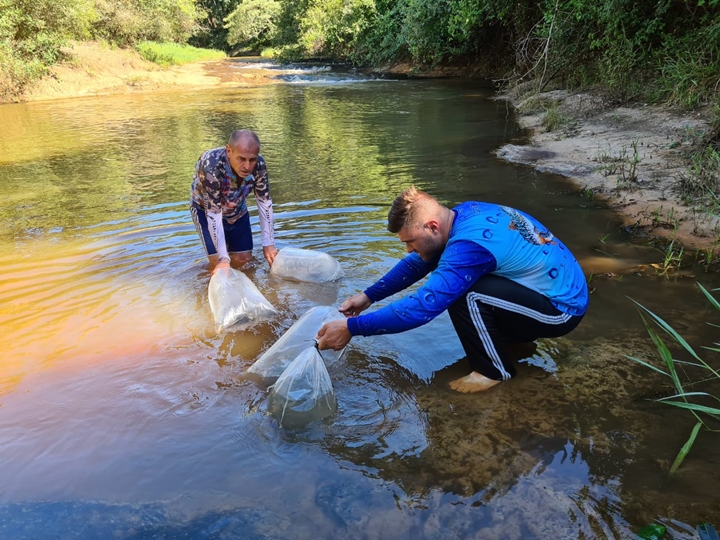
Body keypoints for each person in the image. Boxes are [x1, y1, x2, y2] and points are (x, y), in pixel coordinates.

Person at [316, 186, 588, 393]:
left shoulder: (469, 247)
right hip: (543, 289)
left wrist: (352, 328)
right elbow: (417, 264)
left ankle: (492, 372)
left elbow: (423, 306)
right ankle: (516, 342)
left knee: (466, 294)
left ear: (432, 226)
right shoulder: (461, 215)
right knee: (468, 286)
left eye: (410, 241)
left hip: (562, 308)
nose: (408, 249)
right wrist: (368, 296)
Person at [190, 129, 278, 271]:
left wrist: (268, 244)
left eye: (252, 159)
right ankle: (206, 285)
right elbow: (213, 213)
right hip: (205, 212)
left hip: (238, 211)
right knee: (218, 264)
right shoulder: (211, 165)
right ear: (229, 151)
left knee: (244, 262)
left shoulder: (259, 165)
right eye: (242, 159)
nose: (247, 166)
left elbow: (264, 202)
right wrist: (223, 258)